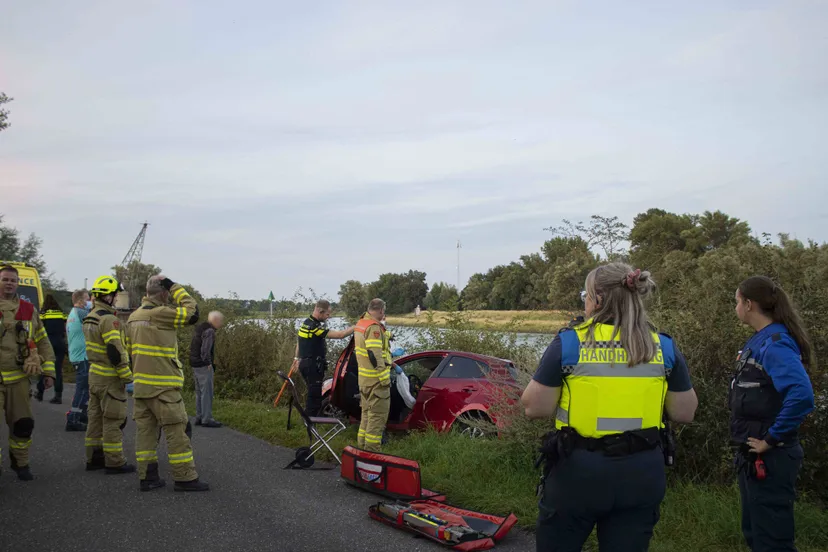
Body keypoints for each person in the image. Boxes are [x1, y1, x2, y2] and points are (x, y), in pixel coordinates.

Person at [521, 263, 698, 552]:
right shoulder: (662, 346)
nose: (585, 302)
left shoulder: (571, 342)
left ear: (599, 299)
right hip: (642, 473)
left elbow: (534, 407)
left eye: (586, 296)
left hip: (579, 472)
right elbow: (685, 412)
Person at [730, 276, 815, 552]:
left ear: (749, 304)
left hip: (771, 457)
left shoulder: (775, 344)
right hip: (752, 455)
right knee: (756, 534)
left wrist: (771, 439)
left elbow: (801, 395)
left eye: (737, 302)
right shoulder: (760, 340)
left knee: (772, 541)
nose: (736, 308)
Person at [127, 275, 207, 492]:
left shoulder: (134, 317)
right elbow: (192, 312)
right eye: (167, 292)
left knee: (146, 435)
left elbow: (128, 351)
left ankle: (148, 477)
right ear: (163, 293)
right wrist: (175, 287)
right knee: (177, 433)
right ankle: (185, 478)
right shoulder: (160, 313)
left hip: (141, 387)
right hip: (163, 387)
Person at [0, 264, 56, 480]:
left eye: (13, 280)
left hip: (19, 380)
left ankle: (20, 463)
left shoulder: (28, 310)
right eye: (5, 279)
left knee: (23, 425)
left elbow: (43, 341)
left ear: (17, 284)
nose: (9, 283)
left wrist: (48, 372)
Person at [83, 276, 135, 474]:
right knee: (113, 420)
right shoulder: (109, 320)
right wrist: (127, 378)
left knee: (95, 420)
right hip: (110, 379)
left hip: (94, 375)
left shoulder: (90, 316)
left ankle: (94, 458)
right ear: (107, 296)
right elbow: (115, 352)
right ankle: (115, 462)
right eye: (114, 295)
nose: (116, 298)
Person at [292, 299, 354, 417]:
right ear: (320, 311)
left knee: (313, 392)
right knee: (314, 396)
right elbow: (340, 335)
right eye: (327, 314)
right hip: (312, 366)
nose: (328, 317)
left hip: (305, 364)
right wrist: (356, 327)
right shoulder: (315, 327)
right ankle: (310, 421)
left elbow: (299, 342)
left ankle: (310, 418)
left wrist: (296, 358)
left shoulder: (306, 323)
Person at [354, 298, 393, 452]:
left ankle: (361, 451)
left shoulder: (362, 323)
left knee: (366, 417)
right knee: (377, 419)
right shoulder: (374, 328)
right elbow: (374, 355)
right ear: (381, 310)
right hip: (376, 382)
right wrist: (384, 379)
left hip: (364, 381)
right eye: (384, 311)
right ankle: (372, 454)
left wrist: (387, 335)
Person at [189, 310, 224, 428]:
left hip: (194, 363)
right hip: (203, 365)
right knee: (207, 392)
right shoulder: (210, 331)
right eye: (220, 321)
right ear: (215, 320)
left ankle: (199, 417)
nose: (221, 323)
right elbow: (205, 349)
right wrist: (208, 362)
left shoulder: (200, 328)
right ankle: (207, 419)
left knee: (199, 392)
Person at [66, 289, 92, 431]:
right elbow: (96, 322)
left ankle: (82, 414)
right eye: (88, 299)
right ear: (81, 300)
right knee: (82, 389)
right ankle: (73, 418)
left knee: (85, 388)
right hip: (82, 356)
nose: (90, 302)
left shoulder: (72, 313)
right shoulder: (81, 313)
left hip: (76, 355)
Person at [36, 294, 67, 404]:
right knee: (58, 370)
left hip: (48, 343)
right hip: (60, 343)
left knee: (43, 368)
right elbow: (65, 327)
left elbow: (39, 329)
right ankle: (58, 396)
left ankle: (40, 393)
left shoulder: (43, 314)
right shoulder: (62, 313)